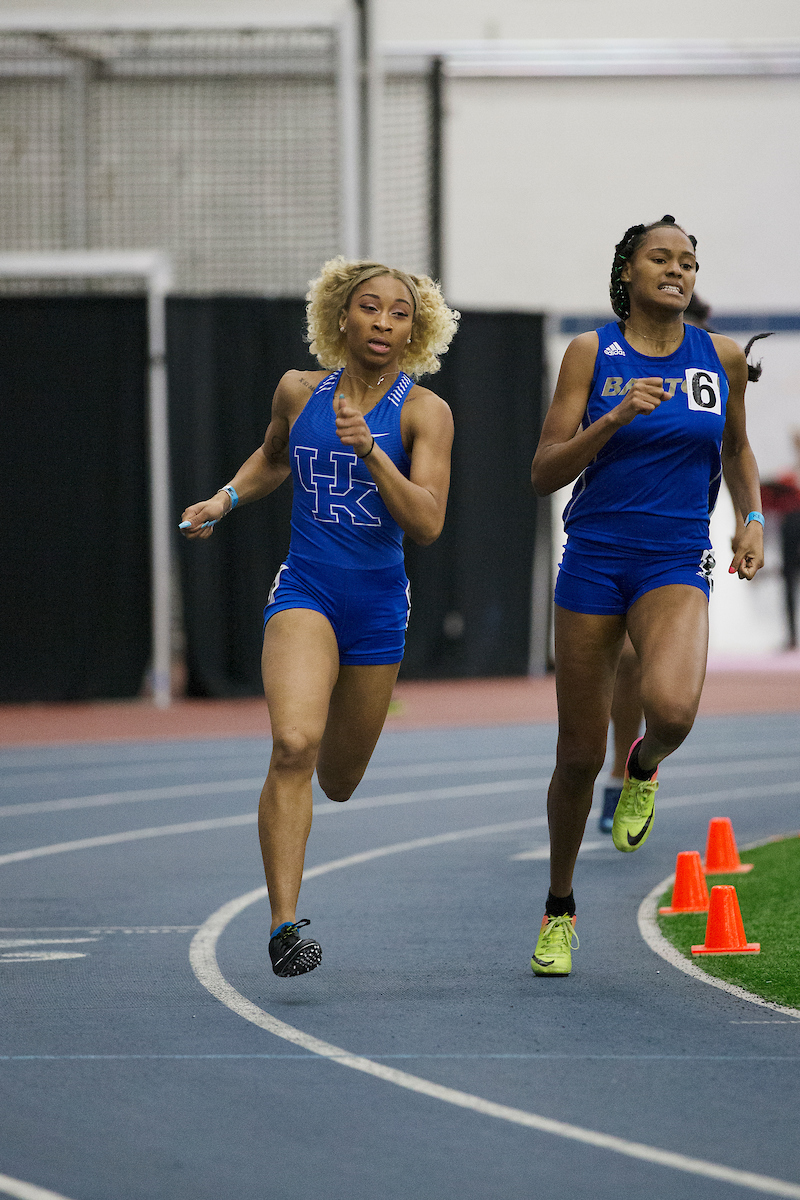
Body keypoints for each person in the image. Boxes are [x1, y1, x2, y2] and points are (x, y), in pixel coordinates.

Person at [181, 257, 458, 977]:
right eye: (371, 307)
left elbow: (426, 523)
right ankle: (282, 926)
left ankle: (312, 808)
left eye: (400, 313)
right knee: (293, 744)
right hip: (306, 590)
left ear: (415, 329)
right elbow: (273, 459)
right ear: (341, 316)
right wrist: (224, 500)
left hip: (378, 607)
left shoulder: (425, 412)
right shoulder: (299, 390)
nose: (384, 322)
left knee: (337, 779)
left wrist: (371, 451)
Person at [530, 215, 764, 977]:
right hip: (595, 559)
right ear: (627, 272)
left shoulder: (719, 358)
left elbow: (735, 449)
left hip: (675, 559)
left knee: (672, 710)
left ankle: (644, 767)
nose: (678, 269)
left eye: (689, 260)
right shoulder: (591, 354)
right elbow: (544, 470)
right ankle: (559, 907)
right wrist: (614, 416)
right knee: (573, 754)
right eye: (661, 258)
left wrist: (750, 521)